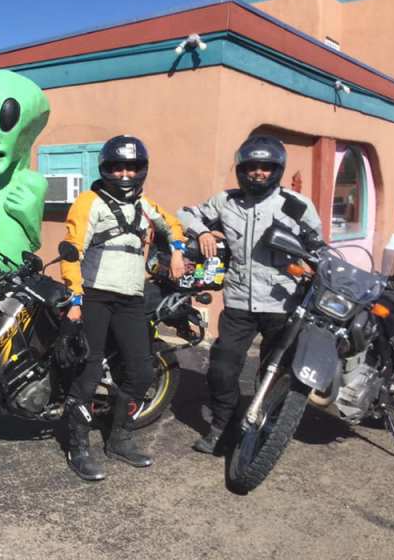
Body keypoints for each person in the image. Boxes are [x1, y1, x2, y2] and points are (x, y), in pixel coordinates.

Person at [178, 135, 323, 455]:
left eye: (266, 167)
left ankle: (264, 428)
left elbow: (318, 248)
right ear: (242, 169)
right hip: (239, 301)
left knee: (275, 371)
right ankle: (222, 427)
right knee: (222, 368)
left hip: (282, 302)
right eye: (251, 167)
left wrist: (314, 269)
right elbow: (186, 213)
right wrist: (202, 231)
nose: (258, 172)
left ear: (277, 169)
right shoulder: (226, 201)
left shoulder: (296, 205)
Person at [60, 135, 186, 481]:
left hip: (131, 298)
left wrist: (177, 250)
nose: (125, 174)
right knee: (88, 373)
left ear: (142, 169)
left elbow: (172, 224)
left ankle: (119, 438)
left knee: (142, 372)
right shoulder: (89, 202)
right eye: (117, 167)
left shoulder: (145, 204)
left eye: (131, 167)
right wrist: (75, 299)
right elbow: (72, 250)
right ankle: (78, 446)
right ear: (105, 169)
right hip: (94, 296)